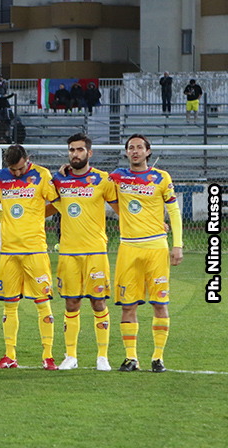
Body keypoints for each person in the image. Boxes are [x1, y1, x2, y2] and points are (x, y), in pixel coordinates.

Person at [46, 133, 119, 371]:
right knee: (71, 303)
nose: (75, 154)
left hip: (96, 251)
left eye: (79, 150)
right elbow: (49, 206)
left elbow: (121, 209)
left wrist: (153, 223)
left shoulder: (103, 179)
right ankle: (71, 356)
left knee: (98, 302)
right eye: (71, 150)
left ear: (89, 152)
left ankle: (102, 357)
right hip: (68, 252)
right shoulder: (59, 179)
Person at [110, 134, 182, 373]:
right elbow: (93, 185)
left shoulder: (161, 177)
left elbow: (174, 212)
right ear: (126, 152)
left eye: (139, 147)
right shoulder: (117, 176)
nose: (135, 151)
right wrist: (67, 171)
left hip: (156, 248)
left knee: (159, 303)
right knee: (127, 306)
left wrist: (177, 244)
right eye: (131, 147)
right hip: (128, 248)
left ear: (148, 151)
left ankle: (158, 357)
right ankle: (131, 358)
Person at [0, 144, 60, 370]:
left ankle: (48, 356)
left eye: (20, 169)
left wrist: (39, 215)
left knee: (42, 303)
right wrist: (3, 218)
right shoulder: (1, 177)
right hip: (9, 251)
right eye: (13, 170)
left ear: (27, 159)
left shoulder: (42, 175)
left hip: (35, 250)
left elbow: (57, 203)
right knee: (9, 305)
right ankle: (9, 355)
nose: (17, 173)